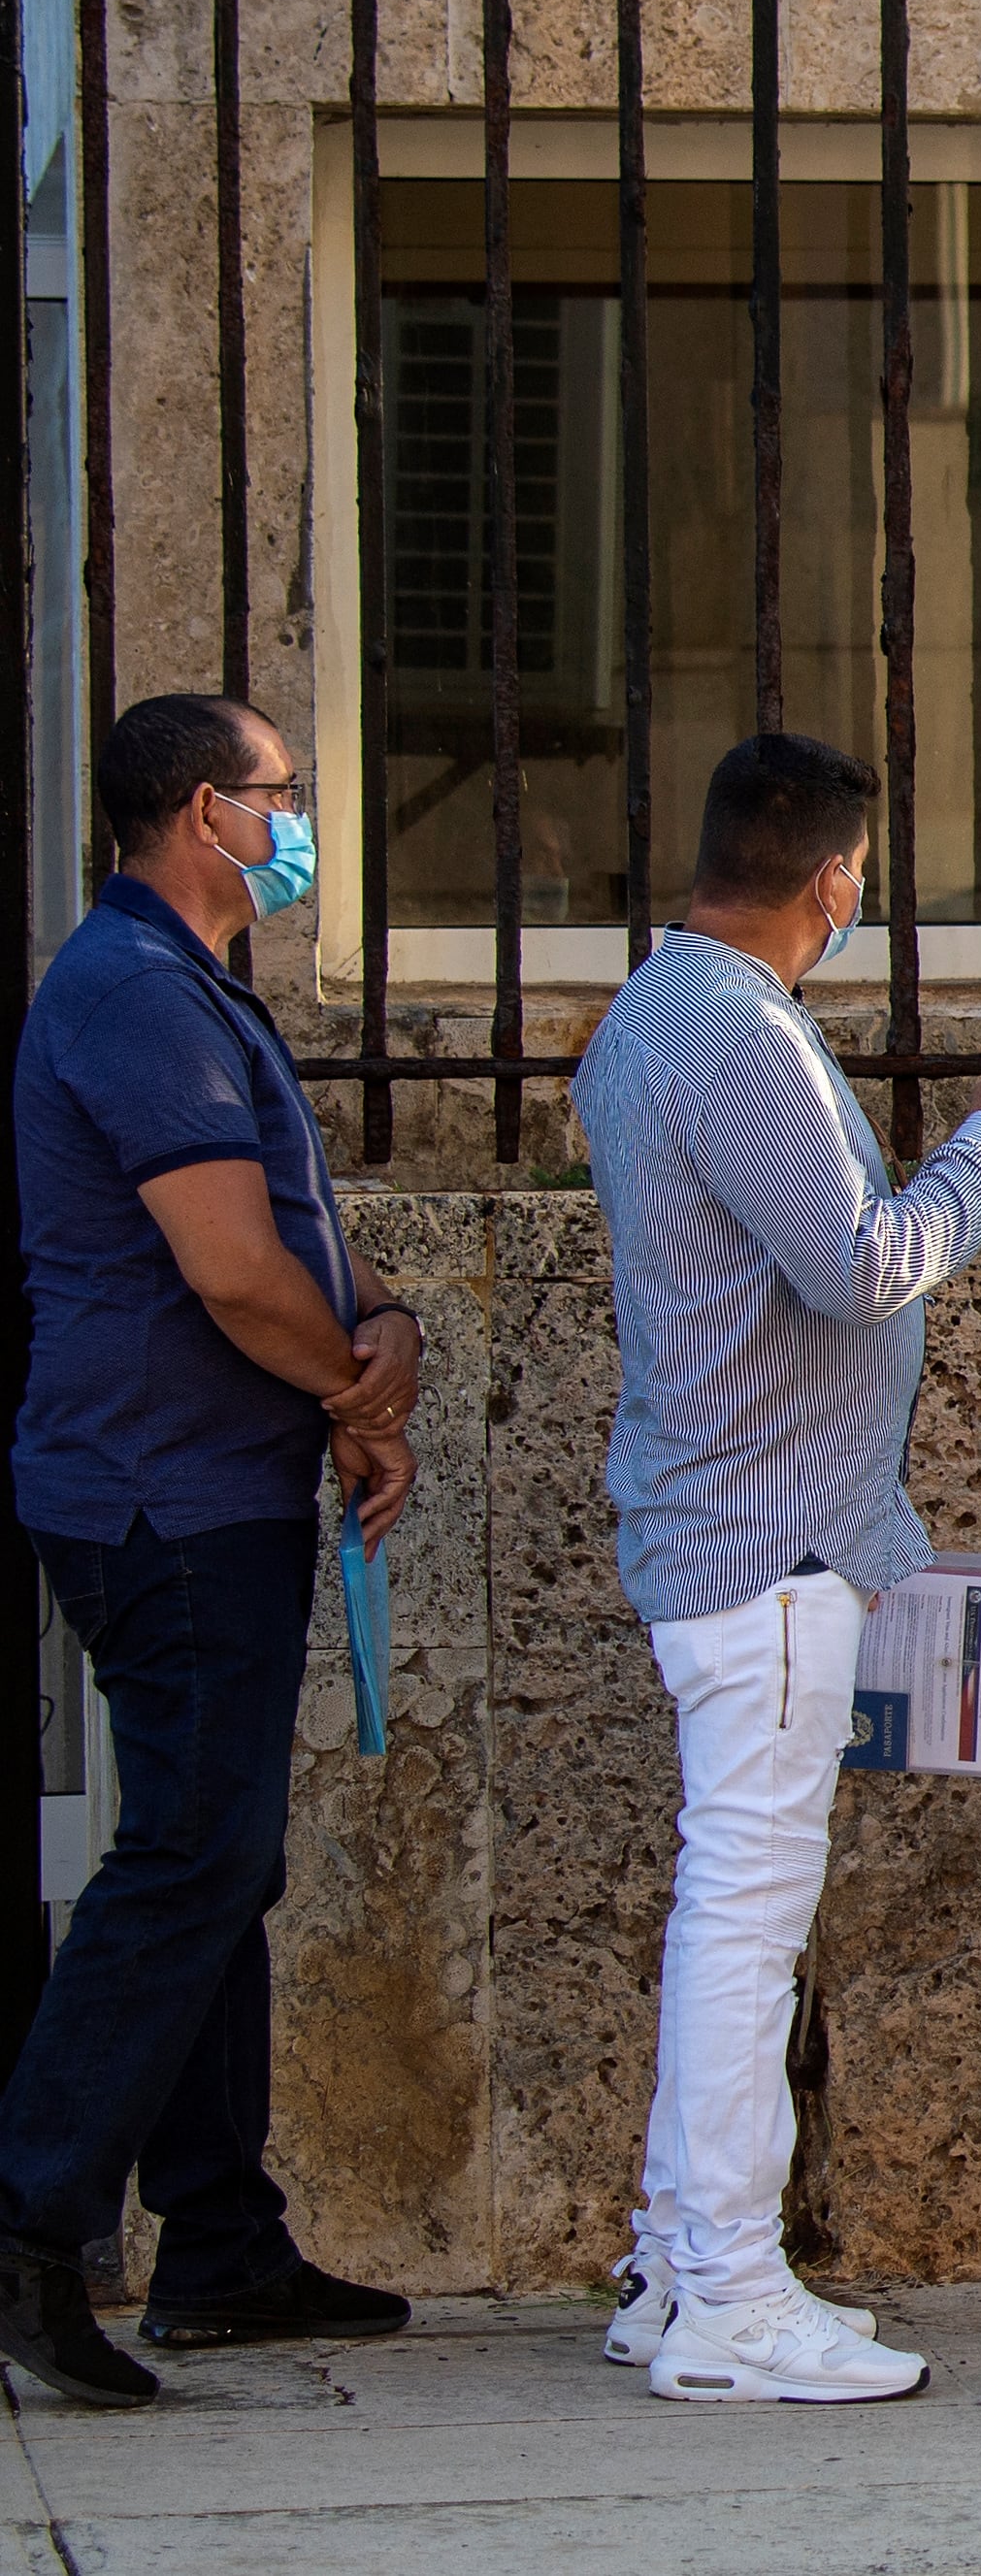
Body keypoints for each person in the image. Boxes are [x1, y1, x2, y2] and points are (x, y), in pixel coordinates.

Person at [574, 733, 981, 2404]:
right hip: (767, 1541)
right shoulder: (739, 1036)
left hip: (726, 1526)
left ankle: (676, 2266)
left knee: (727, 1911)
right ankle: (726, 2290)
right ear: (837, 880)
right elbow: (863, 1268)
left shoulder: (656, 1013)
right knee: (745, 1921)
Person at [0, 696, 422, 2408]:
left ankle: (222, 2244)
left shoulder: (190, 986)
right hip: (162, 1499)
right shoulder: (132, 991)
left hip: (209, 1488)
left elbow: (297, 1233)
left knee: (220, 1860)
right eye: (280, 793)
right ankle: (31, 2220)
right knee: (190, 1854)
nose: (297, 820)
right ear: (199, 812)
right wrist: (355, 1396)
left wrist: (383, 1321)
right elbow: (236, 1269)